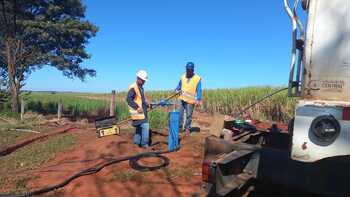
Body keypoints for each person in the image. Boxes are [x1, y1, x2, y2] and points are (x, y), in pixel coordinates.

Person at [175, 62, 202, 135]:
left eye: (190, 70)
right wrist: (176, 90)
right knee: (179, 114)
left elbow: (199, 90)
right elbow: (179, 86)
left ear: (193, 70)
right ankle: (179, 128)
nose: (189, 71)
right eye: (187, 70)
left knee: (189, 115)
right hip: (181, 98)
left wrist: (198, 99)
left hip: (190, 100)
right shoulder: (183, 77)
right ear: (186, 69)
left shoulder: (197, 78)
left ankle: (187, 128)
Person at [126, 70, 151, 148]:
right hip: (138, 113)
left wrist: (146, 104)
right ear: (138, 78)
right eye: (143, 80)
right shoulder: (133, 87)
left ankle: (136, 145)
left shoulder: (140, 87)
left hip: (141, 113)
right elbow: (129, 99)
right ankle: (144, 145)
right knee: (145, 126)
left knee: (139, 129)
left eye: (144, 81)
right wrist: (137, 107)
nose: (144, 82)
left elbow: (140, 99)